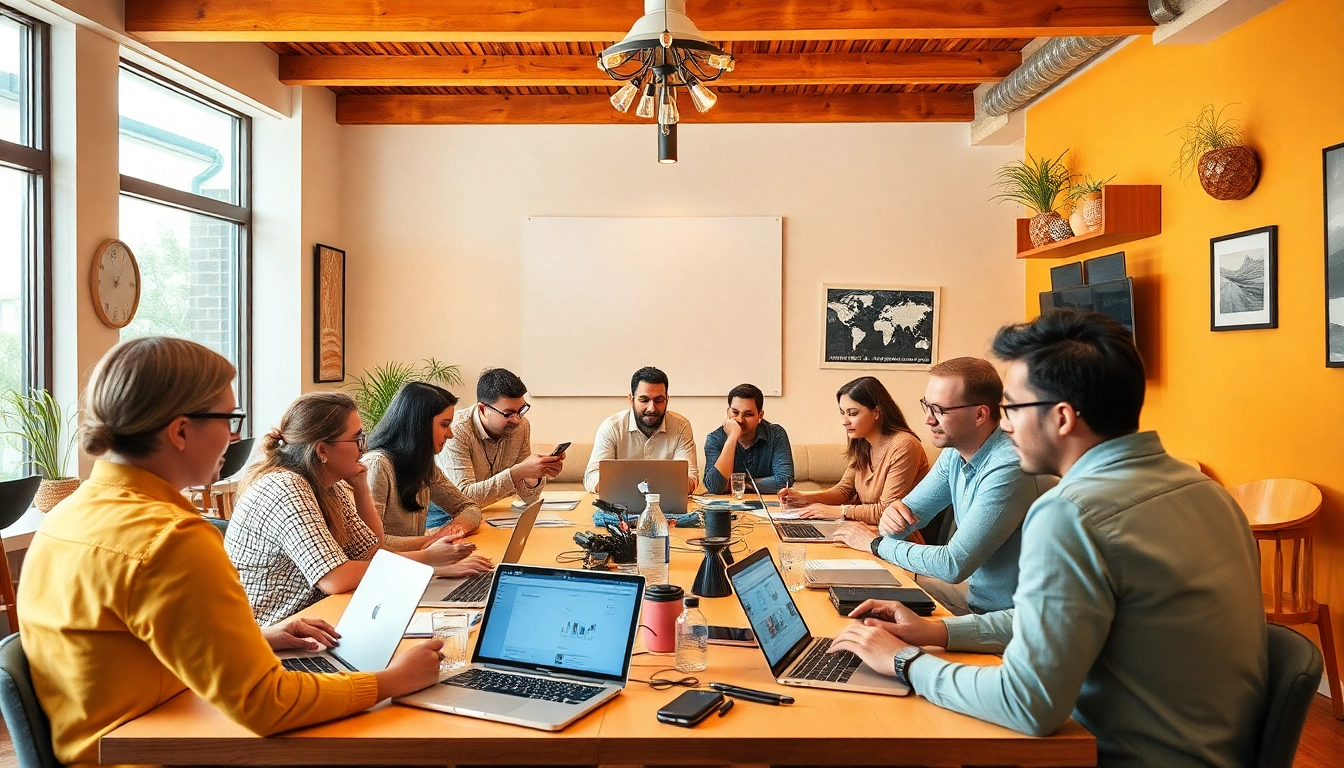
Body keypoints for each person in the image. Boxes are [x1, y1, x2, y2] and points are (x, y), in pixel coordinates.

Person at [828, 311, 1267, 767]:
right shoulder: (1211, 495)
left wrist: (905, 662)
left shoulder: (1071, 513)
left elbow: (1028, 705)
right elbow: (1049, 621)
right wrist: (935, 630)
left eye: (1013, 409)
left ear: (1061, 418)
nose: (1006, 426)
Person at [17, 337, 443, 768]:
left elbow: (125, 647)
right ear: (181, 431)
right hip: (158, 751)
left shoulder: (66, 515)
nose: (236, 435)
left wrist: (256, 639)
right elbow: (267, 703)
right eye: (229, 418)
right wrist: (389, 681)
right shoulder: (171, 537)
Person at [226, 392, 489, 626]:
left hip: (315, 618)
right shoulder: (285, 486)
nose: (364, 447)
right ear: (322, 451)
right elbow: (335, 578)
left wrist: (361, 487)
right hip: (273, 632)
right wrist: (428, 560)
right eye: (356, 439)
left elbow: (373, 549)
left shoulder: (331, 484)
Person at [829, 358, 1050, 615]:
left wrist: (875, 544)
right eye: (926, 406)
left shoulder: (1009, 466)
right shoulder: (953, 454)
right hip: (973, 595)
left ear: (980, 414)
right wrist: (889, 519)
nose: (927, 420)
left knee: (882, 625)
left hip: (1008, 617)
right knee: (859, 598)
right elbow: (901, 522)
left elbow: (953, 565)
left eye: (939, 410)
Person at [778, 376, 929, 523]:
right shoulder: (863, 443)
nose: (845, 421)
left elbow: (888, 511)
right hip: (863, 528)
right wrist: (803, 497)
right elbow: (844, 491)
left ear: (877, 412)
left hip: (897, 539)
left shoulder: (905, 445)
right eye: (842, 413)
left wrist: (840, 511)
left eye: (853, 413)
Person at [363, 382, 491, 556]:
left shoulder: (424, 466)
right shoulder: (377, 466)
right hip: (387, 571)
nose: (450, 434)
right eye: (444, 424)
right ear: (419, 425)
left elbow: (469, 507)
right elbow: (369, 543)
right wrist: (435, 540)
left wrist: (454, 530)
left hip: (415, 565)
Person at [437, 368, 563, 512]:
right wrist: (518, 472)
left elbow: (530, 498)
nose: (517, 420)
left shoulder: (522, 427)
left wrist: (535, 474)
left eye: (521, 410)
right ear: (483, 409)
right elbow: (463, 498)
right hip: (451, 518)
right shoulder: (457, 431)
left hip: (495, 516)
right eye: (508, 414)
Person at [583, 366, 698, 494]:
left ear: (667, 400)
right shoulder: (612, 427)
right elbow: (591, 477)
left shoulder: (681, 427)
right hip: (619, 505)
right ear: (631, 400)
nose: (651, 408)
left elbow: (691, 477)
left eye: (659, 400)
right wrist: (624, 487)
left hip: (667, 507)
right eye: (644, 399)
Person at [702, 383, 794, 495]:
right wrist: (732, 437)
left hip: (768, 506)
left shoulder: (776, 435)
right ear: (727, 412)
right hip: (727, 507)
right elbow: (714, 487)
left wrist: (739, 484)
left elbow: (785, 481)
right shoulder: (715, 439)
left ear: (760, 416)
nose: (740, 420)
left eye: (748, 414)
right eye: (735, 412)